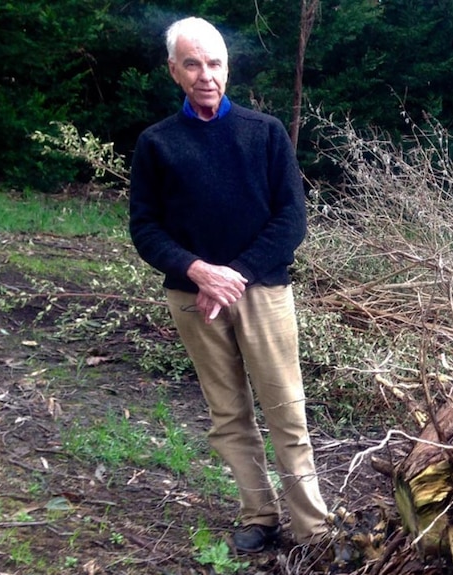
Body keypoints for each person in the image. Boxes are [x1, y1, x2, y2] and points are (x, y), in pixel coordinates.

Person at [129, 16, 329, 554]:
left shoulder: (264, 134)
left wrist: (231, 274)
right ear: (173, 70)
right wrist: (197, 271)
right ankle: (258, 513)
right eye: (191, 64)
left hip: (259, 290)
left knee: (286, 409)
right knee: (228, 413)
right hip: (193, 299)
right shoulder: (156, 144)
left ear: (228, 68)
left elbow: (291, 221)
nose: (205, 75)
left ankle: (313, 528)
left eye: (214, 63)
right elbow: (145, 228)